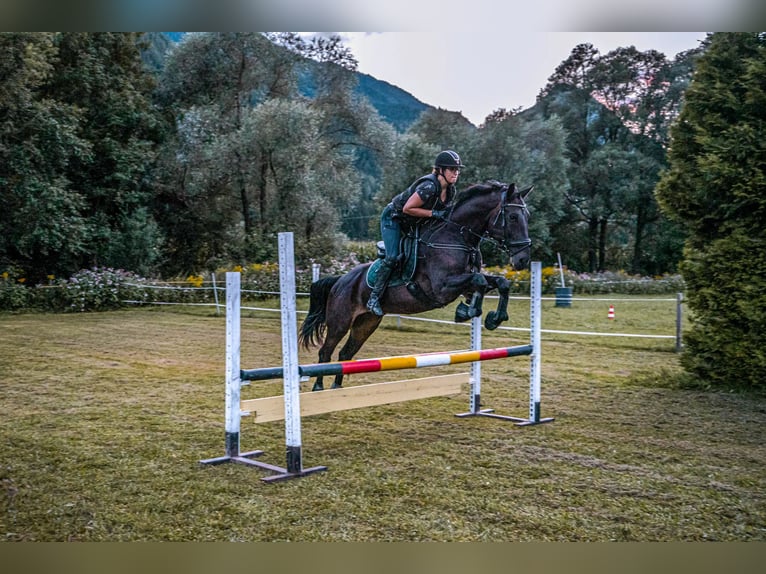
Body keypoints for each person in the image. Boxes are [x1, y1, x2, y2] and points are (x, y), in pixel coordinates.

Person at [366, 149, 465, 316]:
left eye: (457, 169)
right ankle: (373, 298)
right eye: (452, 169)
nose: (456, 173)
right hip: (394, 219)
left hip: (414, 222)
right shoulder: (428, 186)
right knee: (392, 257)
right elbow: (408, 208)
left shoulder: (450, 191)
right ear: (441, 170)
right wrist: (433, 214)